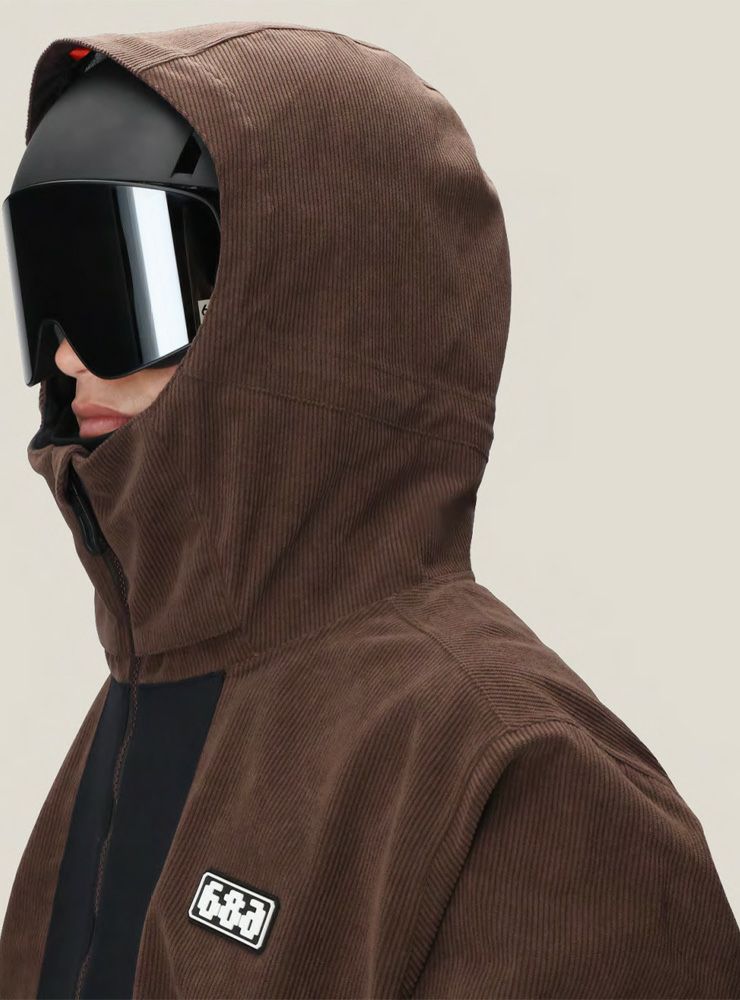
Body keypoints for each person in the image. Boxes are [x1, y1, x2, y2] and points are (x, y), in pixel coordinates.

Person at [1, 22, 739, 1000]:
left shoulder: (519, 773)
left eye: (123, 293)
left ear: (299, 317)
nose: (65, 358)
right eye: (52, 287)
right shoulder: (146, 699)